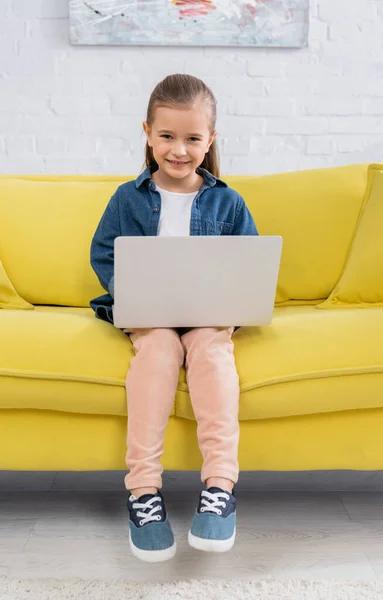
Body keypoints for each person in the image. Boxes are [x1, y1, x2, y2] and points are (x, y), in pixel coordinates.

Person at [90, 73, 258, 563]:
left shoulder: (229, 201)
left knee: (210, 346)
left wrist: (229, 304)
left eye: (192, 138)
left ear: (210, 140)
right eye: (166, 136)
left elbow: (247, 263)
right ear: (147, 132)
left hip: (209, 314)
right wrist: (133, 296)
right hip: (152, 313)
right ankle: (143, 491)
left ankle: (220, 487)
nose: (178, 149)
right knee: (159, 347)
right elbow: (106, 255)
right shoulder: (128, 197)